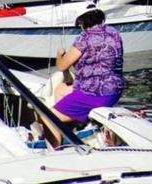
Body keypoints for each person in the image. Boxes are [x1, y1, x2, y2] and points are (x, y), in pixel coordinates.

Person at [47, 8, 124, 147]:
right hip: (115, 90)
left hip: (95, 94)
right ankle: (75, 124)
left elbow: (62, 66)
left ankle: (55, 150)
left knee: (47, 116)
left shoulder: (84, 39)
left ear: (82, 21)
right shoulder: (114, 32)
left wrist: (59, 55)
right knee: (60, 89)